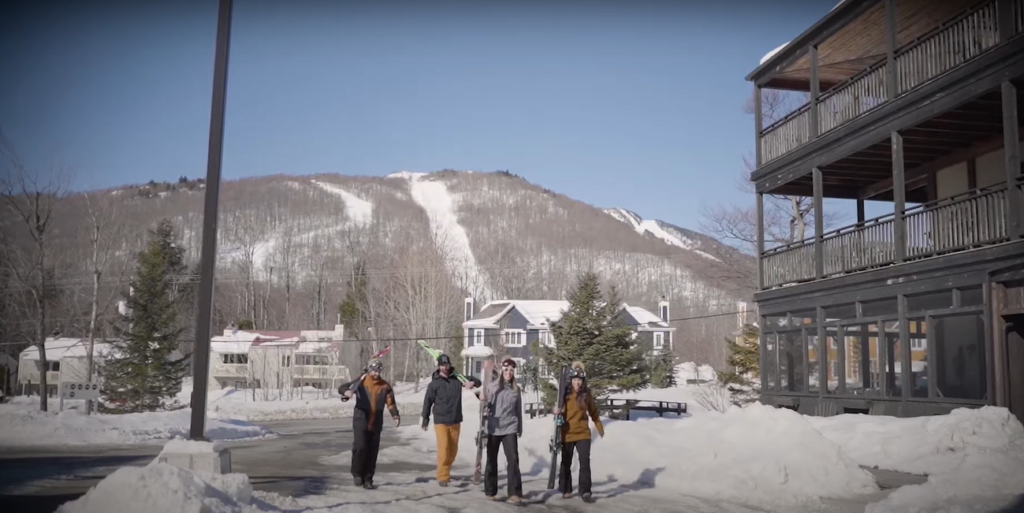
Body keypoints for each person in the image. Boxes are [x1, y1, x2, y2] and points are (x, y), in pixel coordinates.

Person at [338, 358, 400, 490]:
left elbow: (391, 402)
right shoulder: (361, 382)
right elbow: (342, 387)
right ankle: (357, 473)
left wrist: (395, 415)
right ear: (370, 370)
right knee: (360, 447)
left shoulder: (385, 386)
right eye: (374, 371)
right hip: (361, 419)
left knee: (372, 451)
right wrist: (347, 392)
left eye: (378, 371)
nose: (377, 373)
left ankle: (368, 478)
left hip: (376, 421)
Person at [421, 353, 481, 487]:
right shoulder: (434, 384)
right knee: (443, 449)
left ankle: (445, 469)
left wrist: (472, 383)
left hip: (455, 419)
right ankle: (443, 476)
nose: (445, 367)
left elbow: (477, 381)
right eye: (442, 365)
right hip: (441, 420)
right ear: (439, 366)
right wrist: (425, 419)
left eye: (446, 365)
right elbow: (427, 402)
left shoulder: (457, 379)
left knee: (453, 450)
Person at [552, 361, 604, 502]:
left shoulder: (586, 394)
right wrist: (556, 411)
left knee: (585, 462)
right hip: (567, 432)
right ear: (571, 380)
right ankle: (566, 488)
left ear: (583, 381)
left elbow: (593, 411)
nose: (577, 383)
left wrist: (598, 425)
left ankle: (585, 491)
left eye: (580, 380)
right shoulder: (565, 393)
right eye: (575, 380)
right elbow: (557, 408)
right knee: (566, 462)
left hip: (583, 433)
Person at [482, 358, 524, 503]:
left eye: (511, 370)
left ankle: (514, 492)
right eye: (506, 370)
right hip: (494, 427)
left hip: (510, 427)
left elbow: (518, 410)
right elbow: (486, 405)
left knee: (513, 459)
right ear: (501, 370)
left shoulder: (516, 390)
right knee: (491, 459)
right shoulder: (493, 387)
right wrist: (483, 401)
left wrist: (519, 427)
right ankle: (490, 490)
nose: (509, 373)